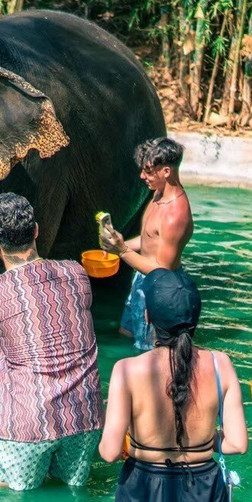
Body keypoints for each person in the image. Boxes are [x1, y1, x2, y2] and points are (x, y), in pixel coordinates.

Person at [99, 268, 247, 502]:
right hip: (204, 496)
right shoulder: (221, 364)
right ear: (196, 318)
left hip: (144, 496)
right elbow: (237, 444)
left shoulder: (127, 369)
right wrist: (201, 441)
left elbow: (108, 451)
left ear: (149, 317)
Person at [0, 192, 104, 492]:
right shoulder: (76, 273)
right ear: (36, 230)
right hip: (84, 417)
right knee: (69, 498)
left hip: (30, 424)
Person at [101, 138, 194, 350]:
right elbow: (148, 239)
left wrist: (121, 250)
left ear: (166, 172)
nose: (142, 176)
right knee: (127, 334)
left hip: (160, 289)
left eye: (149, 171)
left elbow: (163, 271)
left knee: (148, 348)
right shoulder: (158, 194)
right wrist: (118, 243)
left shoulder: (175, 215)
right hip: (142, 279)